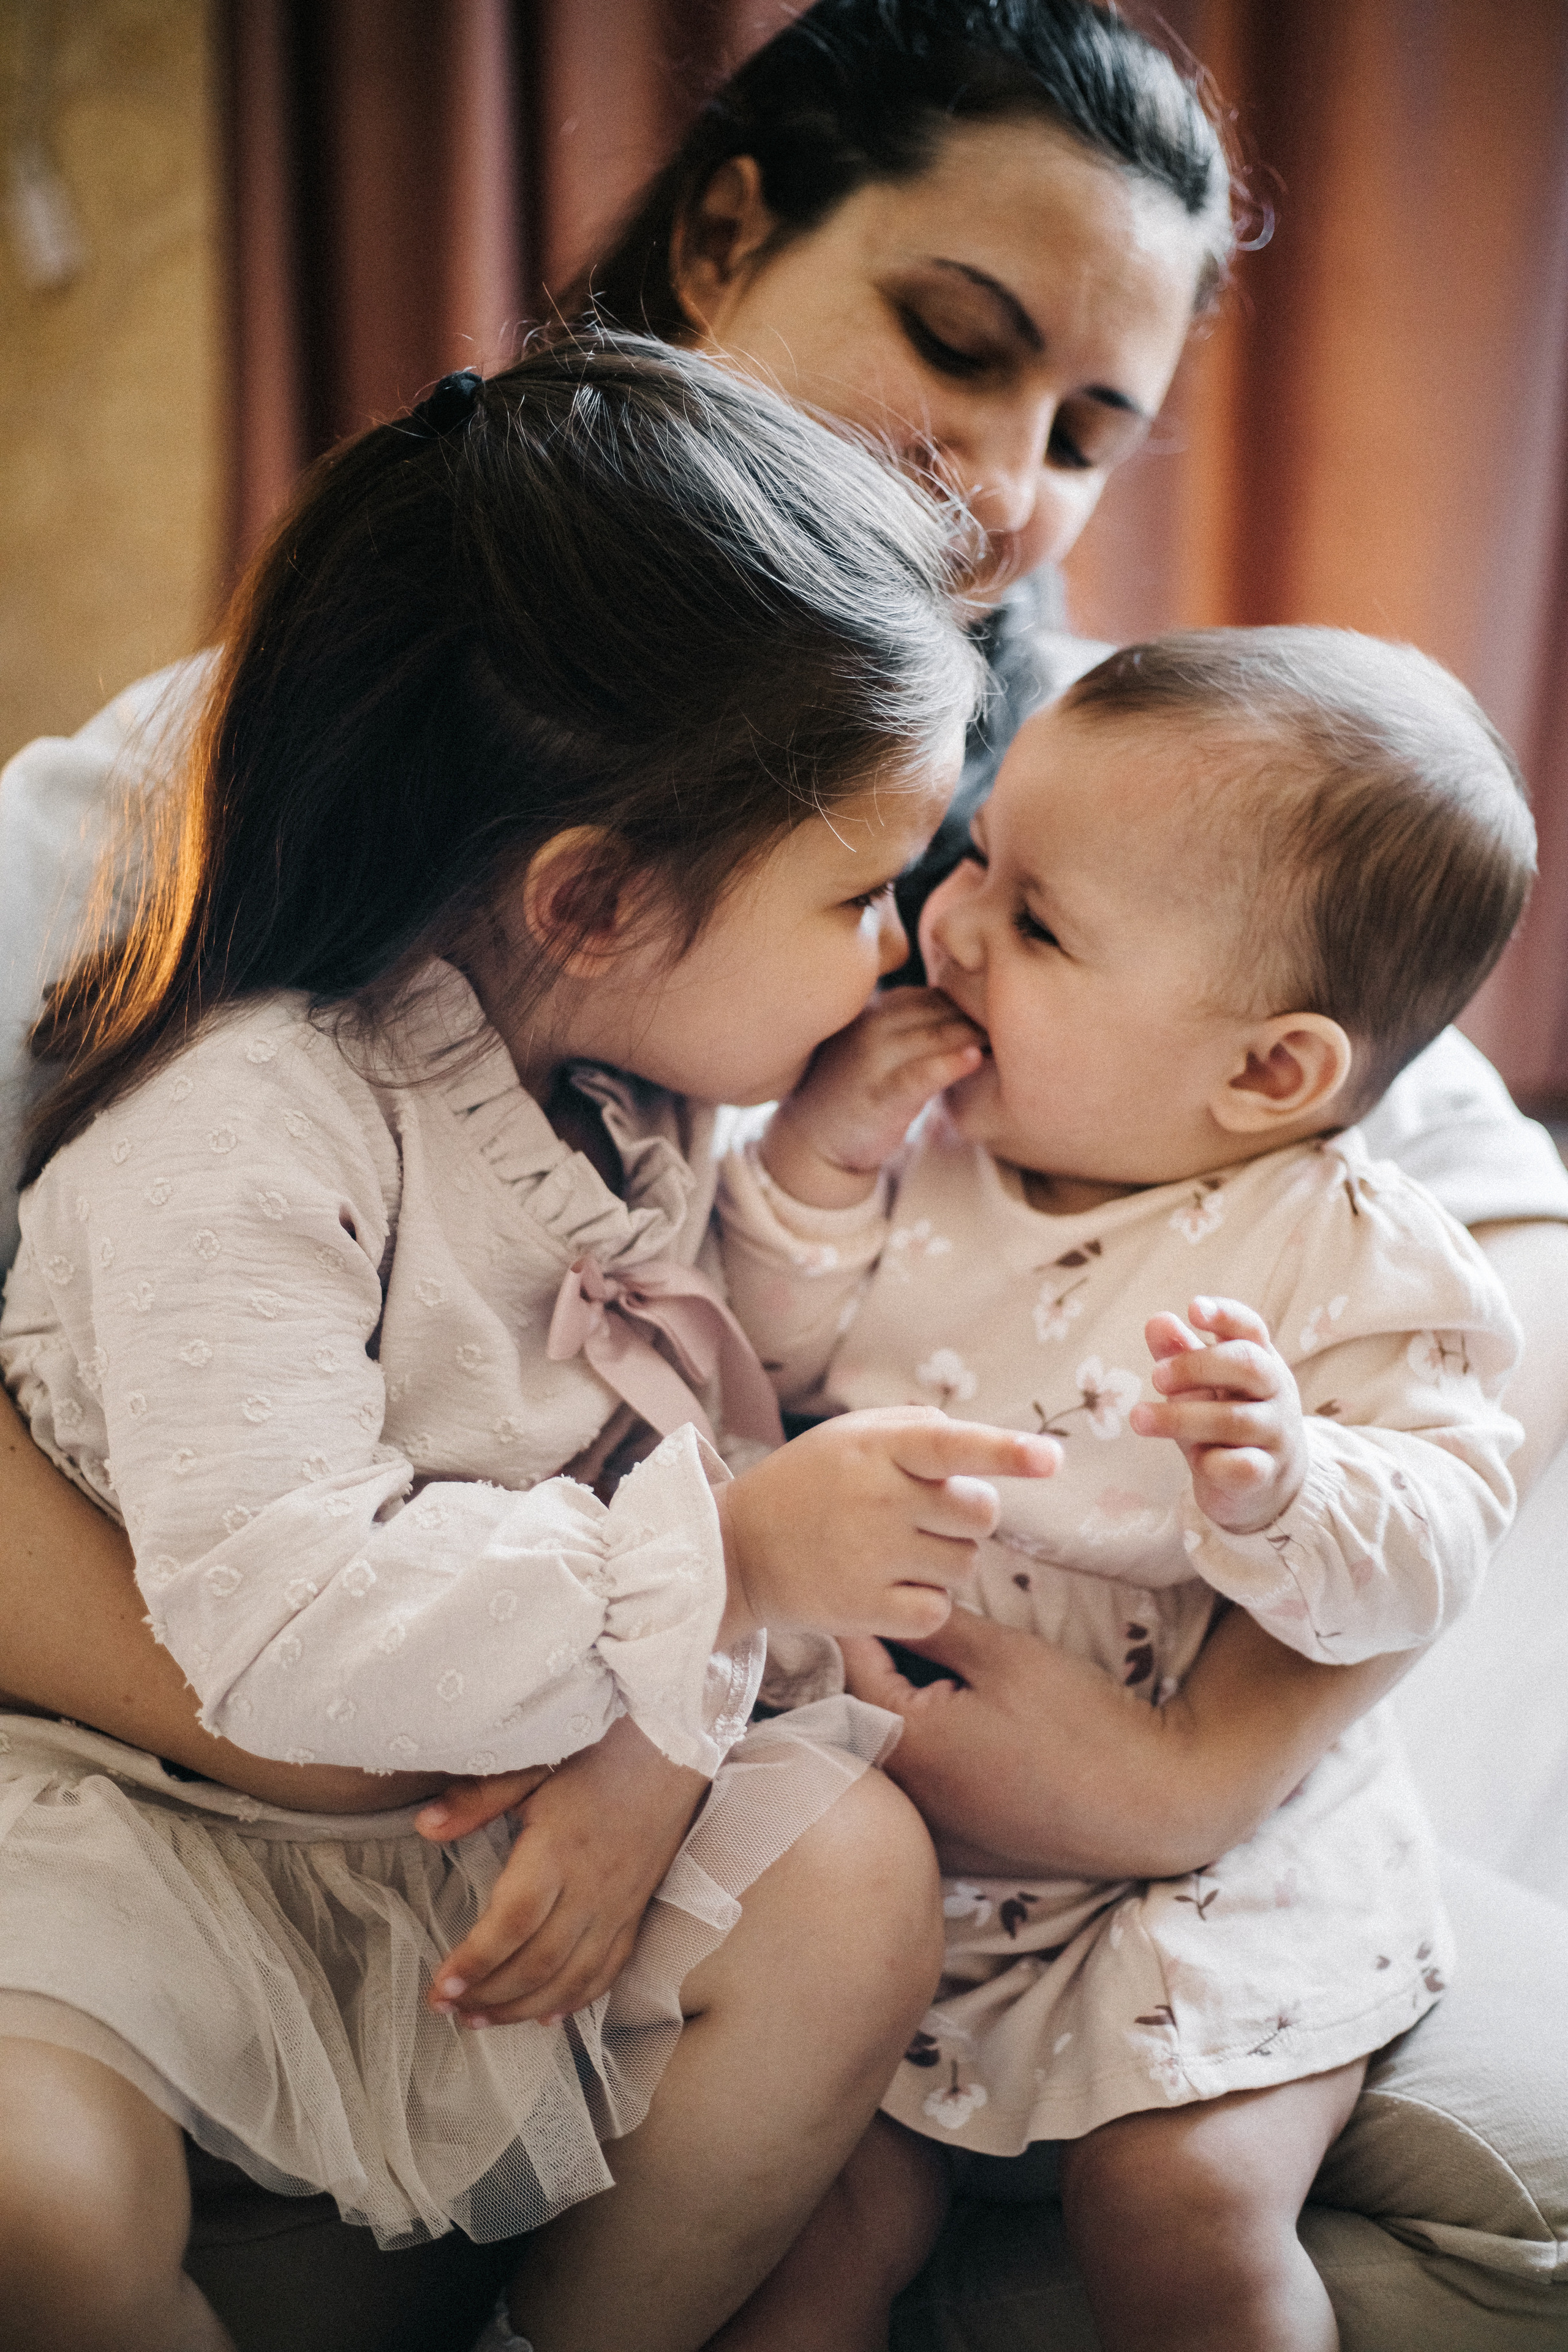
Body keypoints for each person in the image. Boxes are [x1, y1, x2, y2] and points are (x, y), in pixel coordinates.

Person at [0, 0, 1564, 2337]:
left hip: (902, 1749)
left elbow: (1464, 1217)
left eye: (1091, 429)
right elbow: (531, 1514)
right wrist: (538, 1698)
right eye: (962, 336)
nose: (1010, 481)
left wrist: (1188, 1767)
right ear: (727, 236)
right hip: (332, 1727)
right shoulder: (266, 862)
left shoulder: (1097, 772)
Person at [0, 336, 1076, 2352]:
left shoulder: (632, 1075)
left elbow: (687, 1375)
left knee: (855, 1887)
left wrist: (818, 1167)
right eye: (856, 890)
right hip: (139, 1814)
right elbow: (290, 1627)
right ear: (590, 898)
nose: (894, 943)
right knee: (38, 2217)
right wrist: (737, 1571)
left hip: (465, 1807)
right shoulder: (249, 1135)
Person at [713, 625, 1532, 2351]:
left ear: (1268, 1073)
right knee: (812, 2226)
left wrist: (1290, 1486)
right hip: (920, 1862)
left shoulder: (1346, 1253)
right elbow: (765, 1362)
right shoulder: (926, 1132)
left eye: (1037, 923)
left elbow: (1446, 1533)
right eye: (985, 859)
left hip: (1212, 1883)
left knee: (1178, 2204)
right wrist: (813, 1170)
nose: (951, 923)